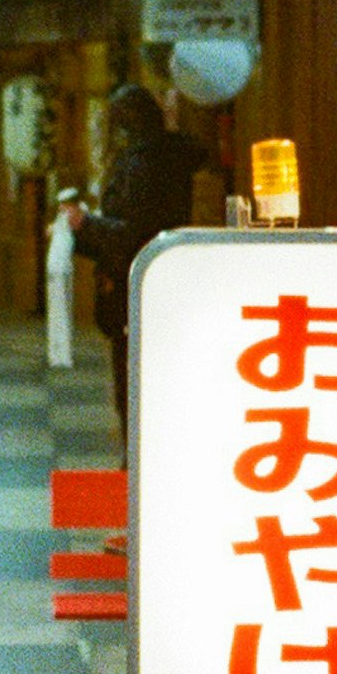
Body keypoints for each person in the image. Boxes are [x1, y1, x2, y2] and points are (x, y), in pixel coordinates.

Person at [67, 83, 218, 433]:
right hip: (168, 284)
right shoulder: (171, 156)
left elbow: (133, 235)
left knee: (134, 385)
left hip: (133, 289)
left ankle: (136, 467)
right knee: (157, 382)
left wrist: (84, 225)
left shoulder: (140, 163)